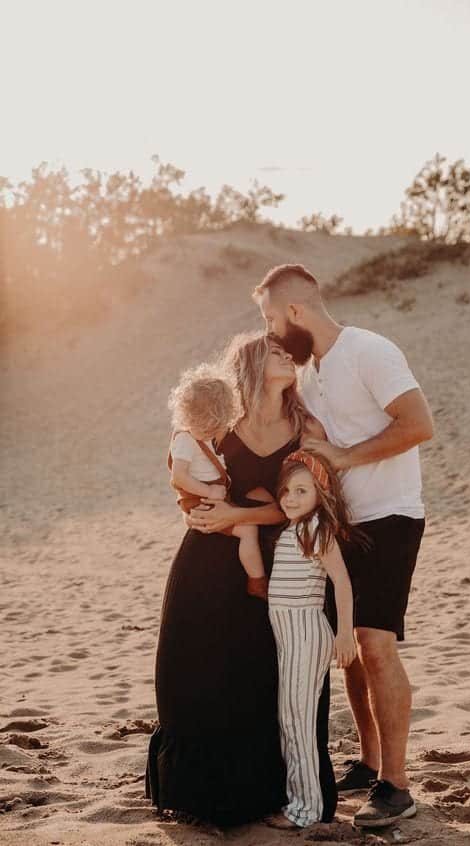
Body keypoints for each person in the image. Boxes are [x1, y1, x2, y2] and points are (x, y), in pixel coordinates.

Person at [253, 264, 434, 828]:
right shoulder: (311, 375)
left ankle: (396, 786)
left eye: (271, 319)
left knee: (376, 646)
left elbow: (419, 424)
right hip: (342, 524)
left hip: (391, 515)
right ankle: (370, 761)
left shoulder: (369, 350)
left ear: (295, 311)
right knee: (349, 648)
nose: (270, 331)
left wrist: (345, 456)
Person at [146, 331, 333, 826]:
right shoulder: (222, 423)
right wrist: (204, 509)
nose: (288, 357)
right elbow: (181, 468)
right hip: (206, 561)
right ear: (250, 363)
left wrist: (235, 514)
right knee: (196, 670)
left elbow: (300, 504)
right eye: (275, 352)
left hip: (277, 570)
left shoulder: (305, 427)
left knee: (262, 677)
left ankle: (270, 793)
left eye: (288, 353)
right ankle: (201, 795)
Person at [265, 450, 357, 830]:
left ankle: (305, 810)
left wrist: (345, 633)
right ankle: (301, 801)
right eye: (286, 490)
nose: (290, 498)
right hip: (288, 636)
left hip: (305, 632)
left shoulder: (316, 528)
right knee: (290, 719)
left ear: (321, 492)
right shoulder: (292, 529)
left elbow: (342, 582)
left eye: (302, 490)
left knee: (297, 723)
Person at [167, 363, 271, 599]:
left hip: (210, 494)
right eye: (204, 427)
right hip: (200, 498)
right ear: (188, 416)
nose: (209, 432)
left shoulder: (205, 436)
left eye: (214, 427)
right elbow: (178, 477)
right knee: (248, 530)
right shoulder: (184, 439)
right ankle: (257, 581)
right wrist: (208, 491)